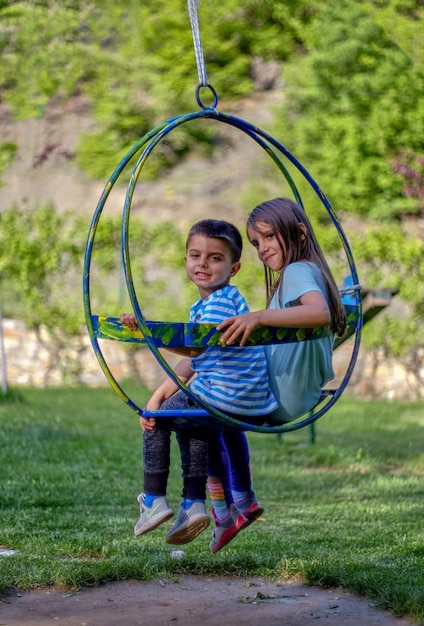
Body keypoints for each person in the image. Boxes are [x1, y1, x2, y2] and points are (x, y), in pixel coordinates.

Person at [120, 219, 278, 552]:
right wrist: (160, 394)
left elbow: (195, 349)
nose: (203, 263)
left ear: (233, 267)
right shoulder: (219, 302)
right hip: (243, 398)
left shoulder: (218, 302)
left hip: (224, 396)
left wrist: (147, 332)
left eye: (215, 257)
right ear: (186, 260)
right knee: (184, 419)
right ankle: (194, 506)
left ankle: (154, 500)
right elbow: (195, 361)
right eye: (195, 255)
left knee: (160, 420)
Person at [217, 197, 347, 424]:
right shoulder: (313, 270)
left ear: (300, 233)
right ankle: (235, 461)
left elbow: (320, 312)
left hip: (275, 399)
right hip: (299, 398)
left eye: (269, 236)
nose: (262, 248)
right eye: (256, 243)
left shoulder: (296, 271)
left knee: (191, 398)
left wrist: (260, 316)